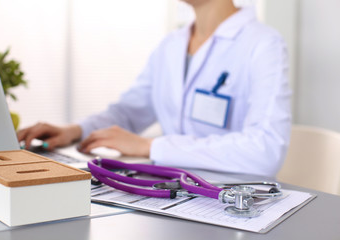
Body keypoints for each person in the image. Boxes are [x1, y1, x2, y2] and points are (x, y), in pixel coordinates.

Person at [17, 0, 291, 177]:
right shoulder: (171, 45)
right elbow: (129, 111)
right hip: (171, 187)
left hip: (233, 195)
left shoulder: (263, 44)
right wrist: (75, 131)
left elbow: (264, 151)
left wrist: (149, 146)